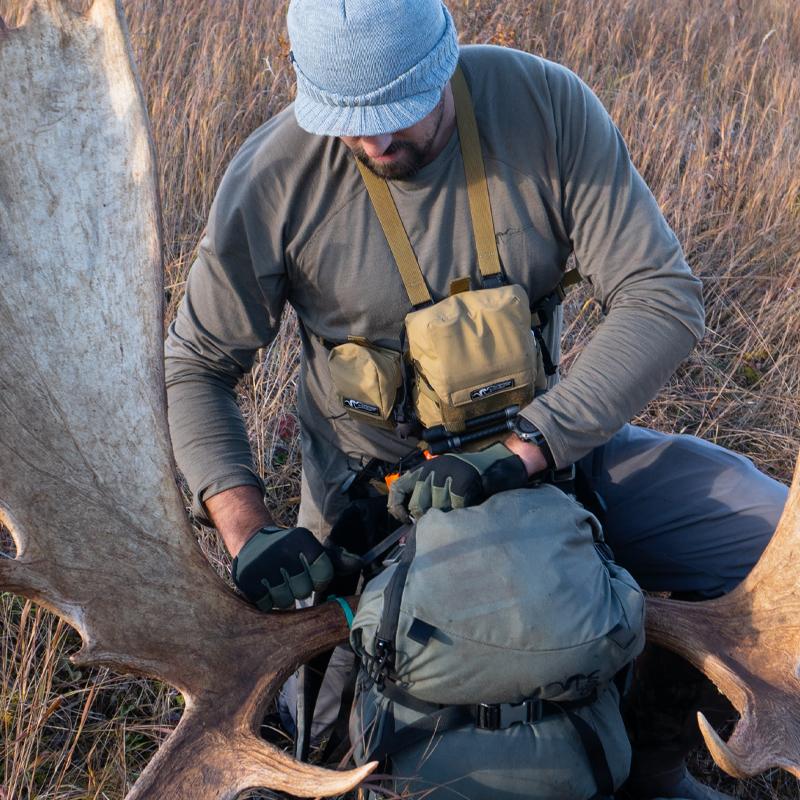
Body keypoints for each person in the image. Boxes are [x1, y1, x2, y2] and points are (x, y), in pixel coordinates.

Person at [164, 1, 787, 797]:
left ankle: (657, 765)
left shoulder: (546, 108)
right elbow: (197, 366)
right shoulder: (273, 179)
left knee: (773, 544)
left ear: (444, 60)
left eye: (398, 114)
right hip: (370, 517)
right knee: (317, 753)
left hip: (560, 460)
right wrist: (248, 533)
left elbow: (662, 296)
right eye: (349, 122)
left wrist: (523, 451)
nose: (376, 142)